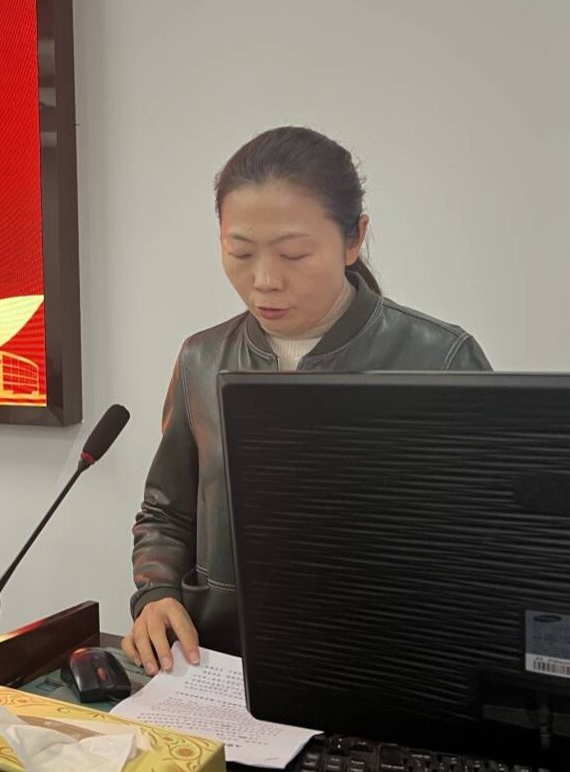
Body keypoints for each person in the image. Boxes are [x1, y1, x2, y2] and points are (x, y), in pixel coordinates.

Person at [122, 126, 491, 674]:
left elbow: (487, 545)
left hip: (389, 668)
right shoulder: (202, 359)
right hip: (223, 663)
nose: (265, 280)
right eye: (239, 252)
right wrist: (156, 593)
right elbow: (167, 511)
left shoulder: (439, 359)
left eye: (293, 254)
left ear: (353, 238)